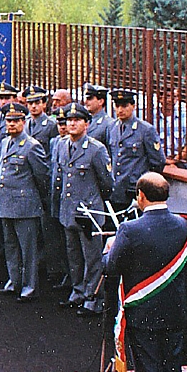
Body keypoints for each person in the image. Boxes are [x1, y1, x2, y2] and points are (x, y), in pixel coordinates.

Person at [104, 173, 187, 372]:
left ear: (141, 196)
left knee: (150, 367)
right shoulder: (184, 225)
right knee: (171, 365)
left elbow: (111, 268)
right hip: (174, 308)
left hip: (144, 310)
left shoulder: (130, 229)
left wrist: (108, 250)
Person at [50, 104, 113, 316]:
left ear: (87, 124)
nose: (72, 124)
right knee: (73, 255)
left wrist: (94, 203)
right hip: (68, 209)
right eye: (69, 120)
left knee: (92, 257)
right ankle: (77, 291)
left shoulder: (96, 149)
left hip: (89, 213)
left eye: (77, 120)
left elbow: (107, 183)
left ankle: (92, 298)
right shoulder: (60, 145)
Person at [0, 104, 50, 301]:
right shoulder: (4, 143)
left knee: (28, 250)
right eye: (9, 121)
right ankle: (14, 281)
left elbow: (42, 177)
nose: (12, 124)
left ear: (23, 122)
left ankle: (29, 287)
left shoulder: (32, 146)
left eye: (16, 121)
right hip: (6, 203)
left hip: (25, 205)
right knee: (10, 246)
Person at [106, 89, 166, 211]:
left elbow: (158, 161)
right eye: (117, 106)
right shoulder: (111, 127)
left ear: (133, 106)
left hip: (135, 190)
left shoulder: (145, 130)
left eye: (124, 106)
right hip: (116, 189)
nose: (120, 110)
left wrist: (144, 184)